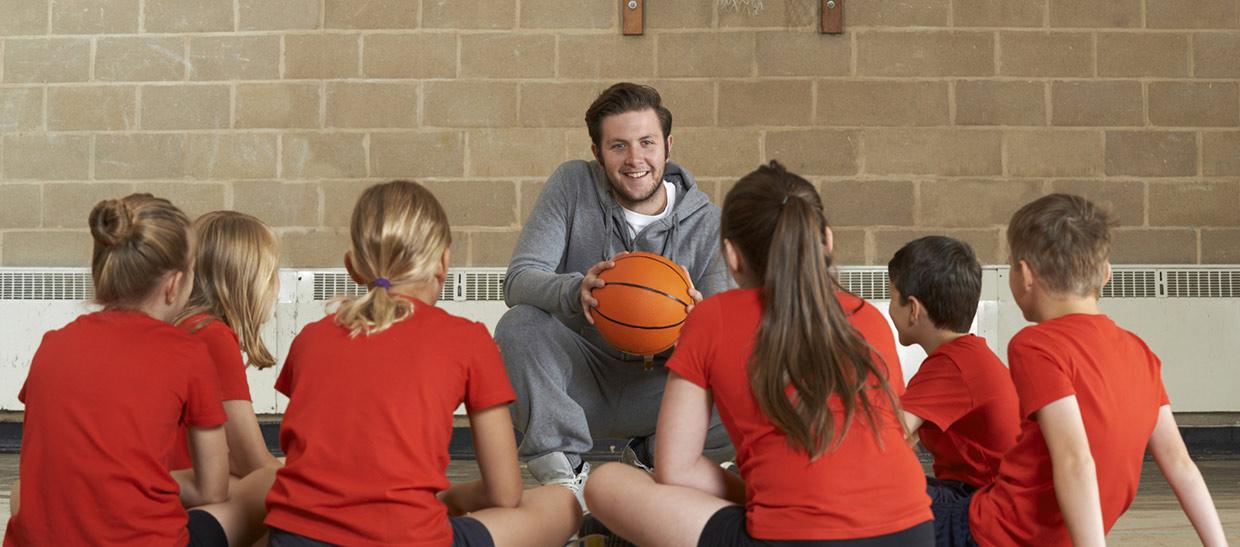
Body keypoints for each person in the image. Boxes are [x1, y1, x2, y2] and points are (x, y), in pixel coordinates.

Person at [583, 162, 933, 547]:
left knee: (607, 483)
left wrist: (759, 495)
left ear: (731, 255)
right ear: (827, 240)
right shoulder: (868, 317)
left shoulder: (711, 317)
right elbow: (897, 436)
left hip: (792, 537)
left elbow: (675, 470)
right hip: (913, 532)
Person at [263, 180, 581, 547]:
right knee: (561, 503)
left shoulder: (310, 338)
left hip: (295, 539)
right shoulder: (468, 339)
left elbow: (317, 459)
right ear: (444, 261)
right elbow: (505, 494)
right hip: (412, 538)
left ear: (352, 265)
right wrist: (450, 498)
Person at [935, 194, 1229, 547]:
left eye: (1011, 264)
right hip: (1047, 530)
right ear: (1106, 274)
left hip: (995, 533)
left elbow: (1076, 459)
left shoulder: (1036, 345)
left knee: (883, 507)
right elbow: (1181, 464)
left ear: (1025, 274)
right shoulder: (1139, 351)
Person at [495, 82, 731, 501]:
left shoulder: (708, 221)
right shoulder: (572, 185)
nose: (635, 159)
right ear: (597, 151)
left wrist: (700, 323)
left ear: (667, 145)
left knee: (745, 362)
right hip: (583, 380)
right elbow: (519, 279)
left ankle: (656, 454)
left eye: (646, 143)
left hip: (662, 389)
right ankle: (566, 476)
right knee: (520, 325)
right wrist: (576, 290)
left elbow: (721, 336)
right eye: (619, 146)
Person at [4, 194, 257, 546]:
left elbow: (46, 464)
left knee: (24, 491)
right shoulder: (189, 353)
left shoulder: (53, 344)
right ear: (174, 285)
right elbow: (210, 489)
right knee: (257, 488)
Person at [168, 211, 284, 540]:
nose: (277, 285)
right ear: (245, 280)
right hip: (182, 497)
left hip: (173, 485)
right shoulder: (211, 335)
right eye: (272, 273)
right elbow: (254, 462)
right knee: (282, 483)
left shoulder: (179, 327)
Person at [887, 236, 1019, 491]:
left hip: (986, 504)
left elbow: (888, 438)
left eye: (892, 297)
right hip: (989, 494)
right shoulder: (967, 355)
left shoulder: (951, 365)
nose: (891, 307)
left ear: (913, 309)